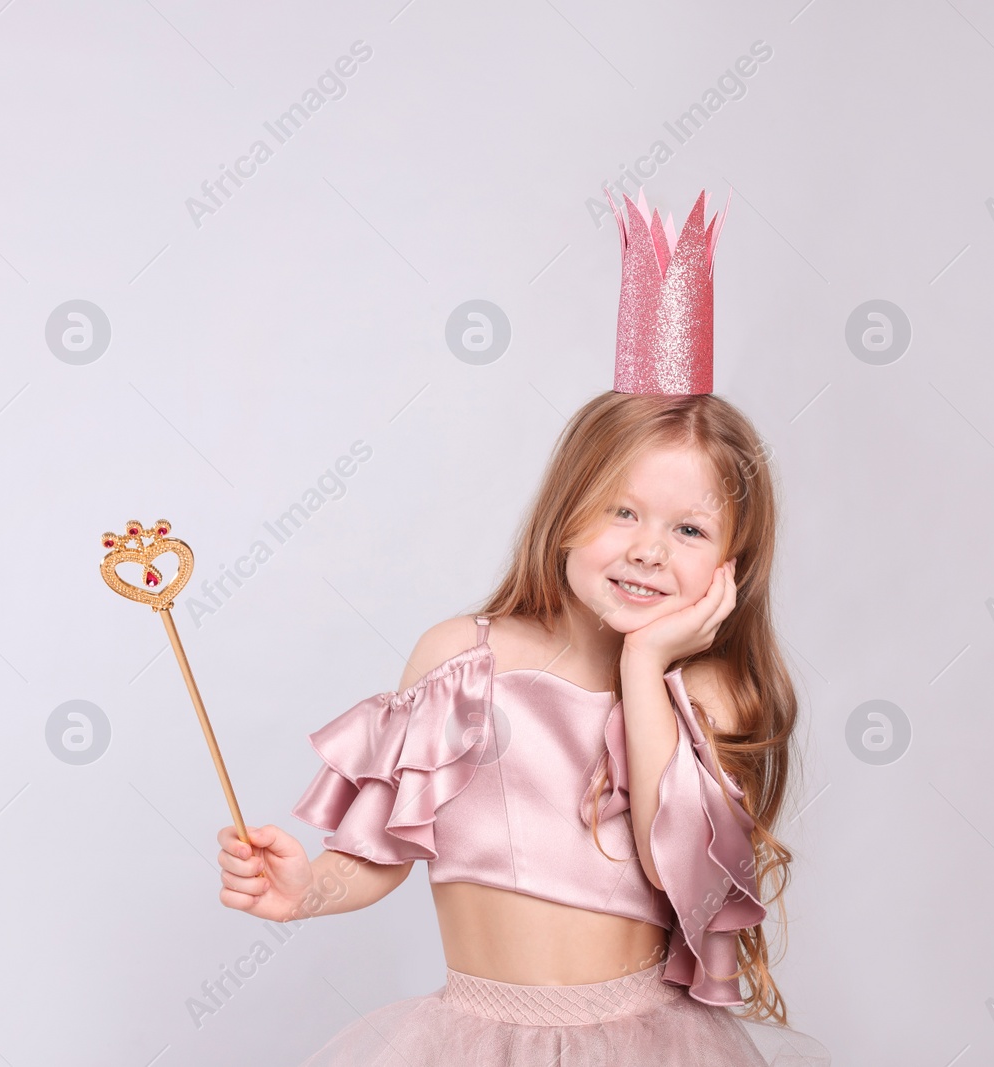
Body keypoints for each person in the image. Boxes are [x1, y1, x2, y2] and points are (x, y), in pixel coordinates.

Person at [214, 189, 832, 1064]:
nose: (648, 550)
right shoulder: (463, 659)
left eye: (688, 529)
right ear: (567, 510)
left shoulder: (706, 694)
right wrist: (305, 887)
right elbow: (386, 844)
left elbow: (672, 866)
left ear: (733, 560)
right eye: (622, 510)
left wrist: (648, 660)